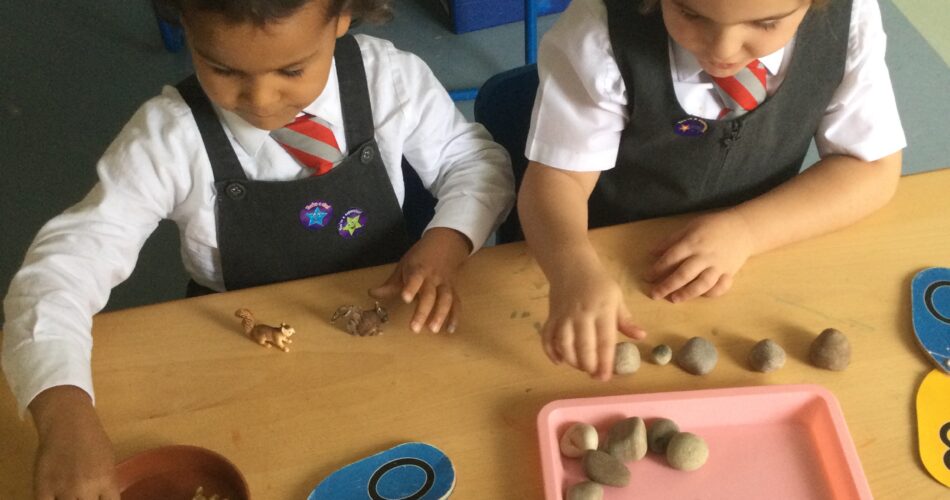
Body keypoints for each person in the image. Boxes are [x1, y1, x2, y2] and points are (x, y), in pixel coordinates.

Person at [1, 0, 513, 497]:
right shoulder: (169, 138)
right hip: (243, 356)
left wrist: (447, 240)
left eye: (292, 70)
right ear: (187, 25)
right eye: (222, 69)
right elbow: (60, 271)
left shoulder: (388, 80)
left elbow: (473, 162)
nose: (262, 101)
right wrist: (64, 413)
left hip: (387, 336)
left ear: (341, 17)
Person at [518, 0, 905, 381]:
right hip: (615, 253)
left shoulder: (848, 19)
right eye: (689, 14)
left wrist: (747, 231)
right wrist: (571, 269)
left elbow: (873, 168)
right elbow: (559, 179)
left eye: (766, 23)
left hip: (761, 255)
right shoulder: (599, 34)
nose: (723, 50)